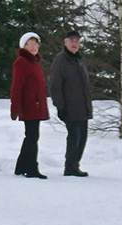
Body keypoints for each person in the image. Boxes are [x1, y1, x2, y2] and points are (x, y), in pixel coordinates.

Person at [49, 29, 93, 177]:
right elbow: (55, 85)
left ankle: (75, 165)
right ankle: (70, 167)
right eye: (71, 41)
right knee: (74, 137)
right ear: (65, 42)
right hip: (70, 107)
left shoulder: (79, 59)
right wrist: (60, 107)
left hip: (82, 106)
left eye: (77, 41)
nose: (74, 44)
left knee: (82, 137)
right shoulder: (61, 60)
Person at [10, 32, 49, 179]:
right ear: (24, 46)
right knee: (32, 137)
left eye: (35, 44)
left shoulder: (35, 63)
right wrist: (16, 107)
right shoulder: (22, 62)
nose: (33, 47)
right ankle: (31, 168)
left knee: (31, 137)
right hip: (29, 106)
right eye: (30, 44)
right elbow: (17, 86)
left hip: (37, 105)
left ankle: (21, 167)